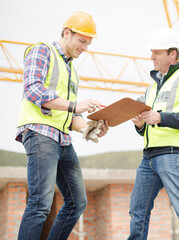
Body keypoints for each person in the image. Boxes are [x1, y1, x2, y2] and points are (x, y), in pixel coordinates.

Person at [15, 12, 109, 240]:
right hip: (40, 133)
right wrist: (76, 106)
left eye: (89, 43)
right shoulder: (42, 50)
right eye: (82, 41)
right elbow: (33, 90)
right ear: (67, 33)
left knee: (78, 202)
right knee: (40, 204)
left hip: (63, 139)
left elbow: (66, 114)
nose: (85, 48)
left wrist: (87, 127)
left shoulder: (72, 72)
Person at [128, 27, 179, 240]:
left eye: (157, 52)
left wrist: (161, 117)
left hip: (174, 156)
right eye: (151, 52)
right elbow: (149, 126)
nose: (151, 57)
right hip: (149, 158)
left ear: (173, 54)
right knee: (137, 212)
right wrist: (140, 125)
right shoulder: (151, 88)